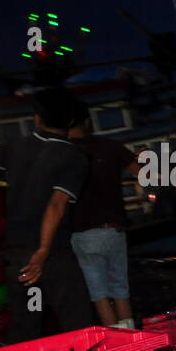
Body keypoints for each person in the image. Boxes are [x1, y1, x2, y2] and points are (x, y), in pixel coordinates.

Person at [0, 88, 94, 342]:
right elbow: (56, 205)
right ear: (70, 122)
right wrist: (43, 251)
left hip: (18, 254)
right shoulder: (73, 156)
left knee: (27, 321)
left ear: (37, 118)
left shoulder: (14, 147)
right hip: (52, 254)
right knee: (76, 319)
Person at [68, 105, 139, 328]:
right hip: (112, 229)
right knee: (120, 288)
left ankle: (116, 342)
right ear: (87, 122)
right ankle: (131, 335)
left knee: (98, 293)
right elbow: (143, 172)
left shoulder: (62, 153)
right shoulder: (110, 147)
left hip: (81, 233)